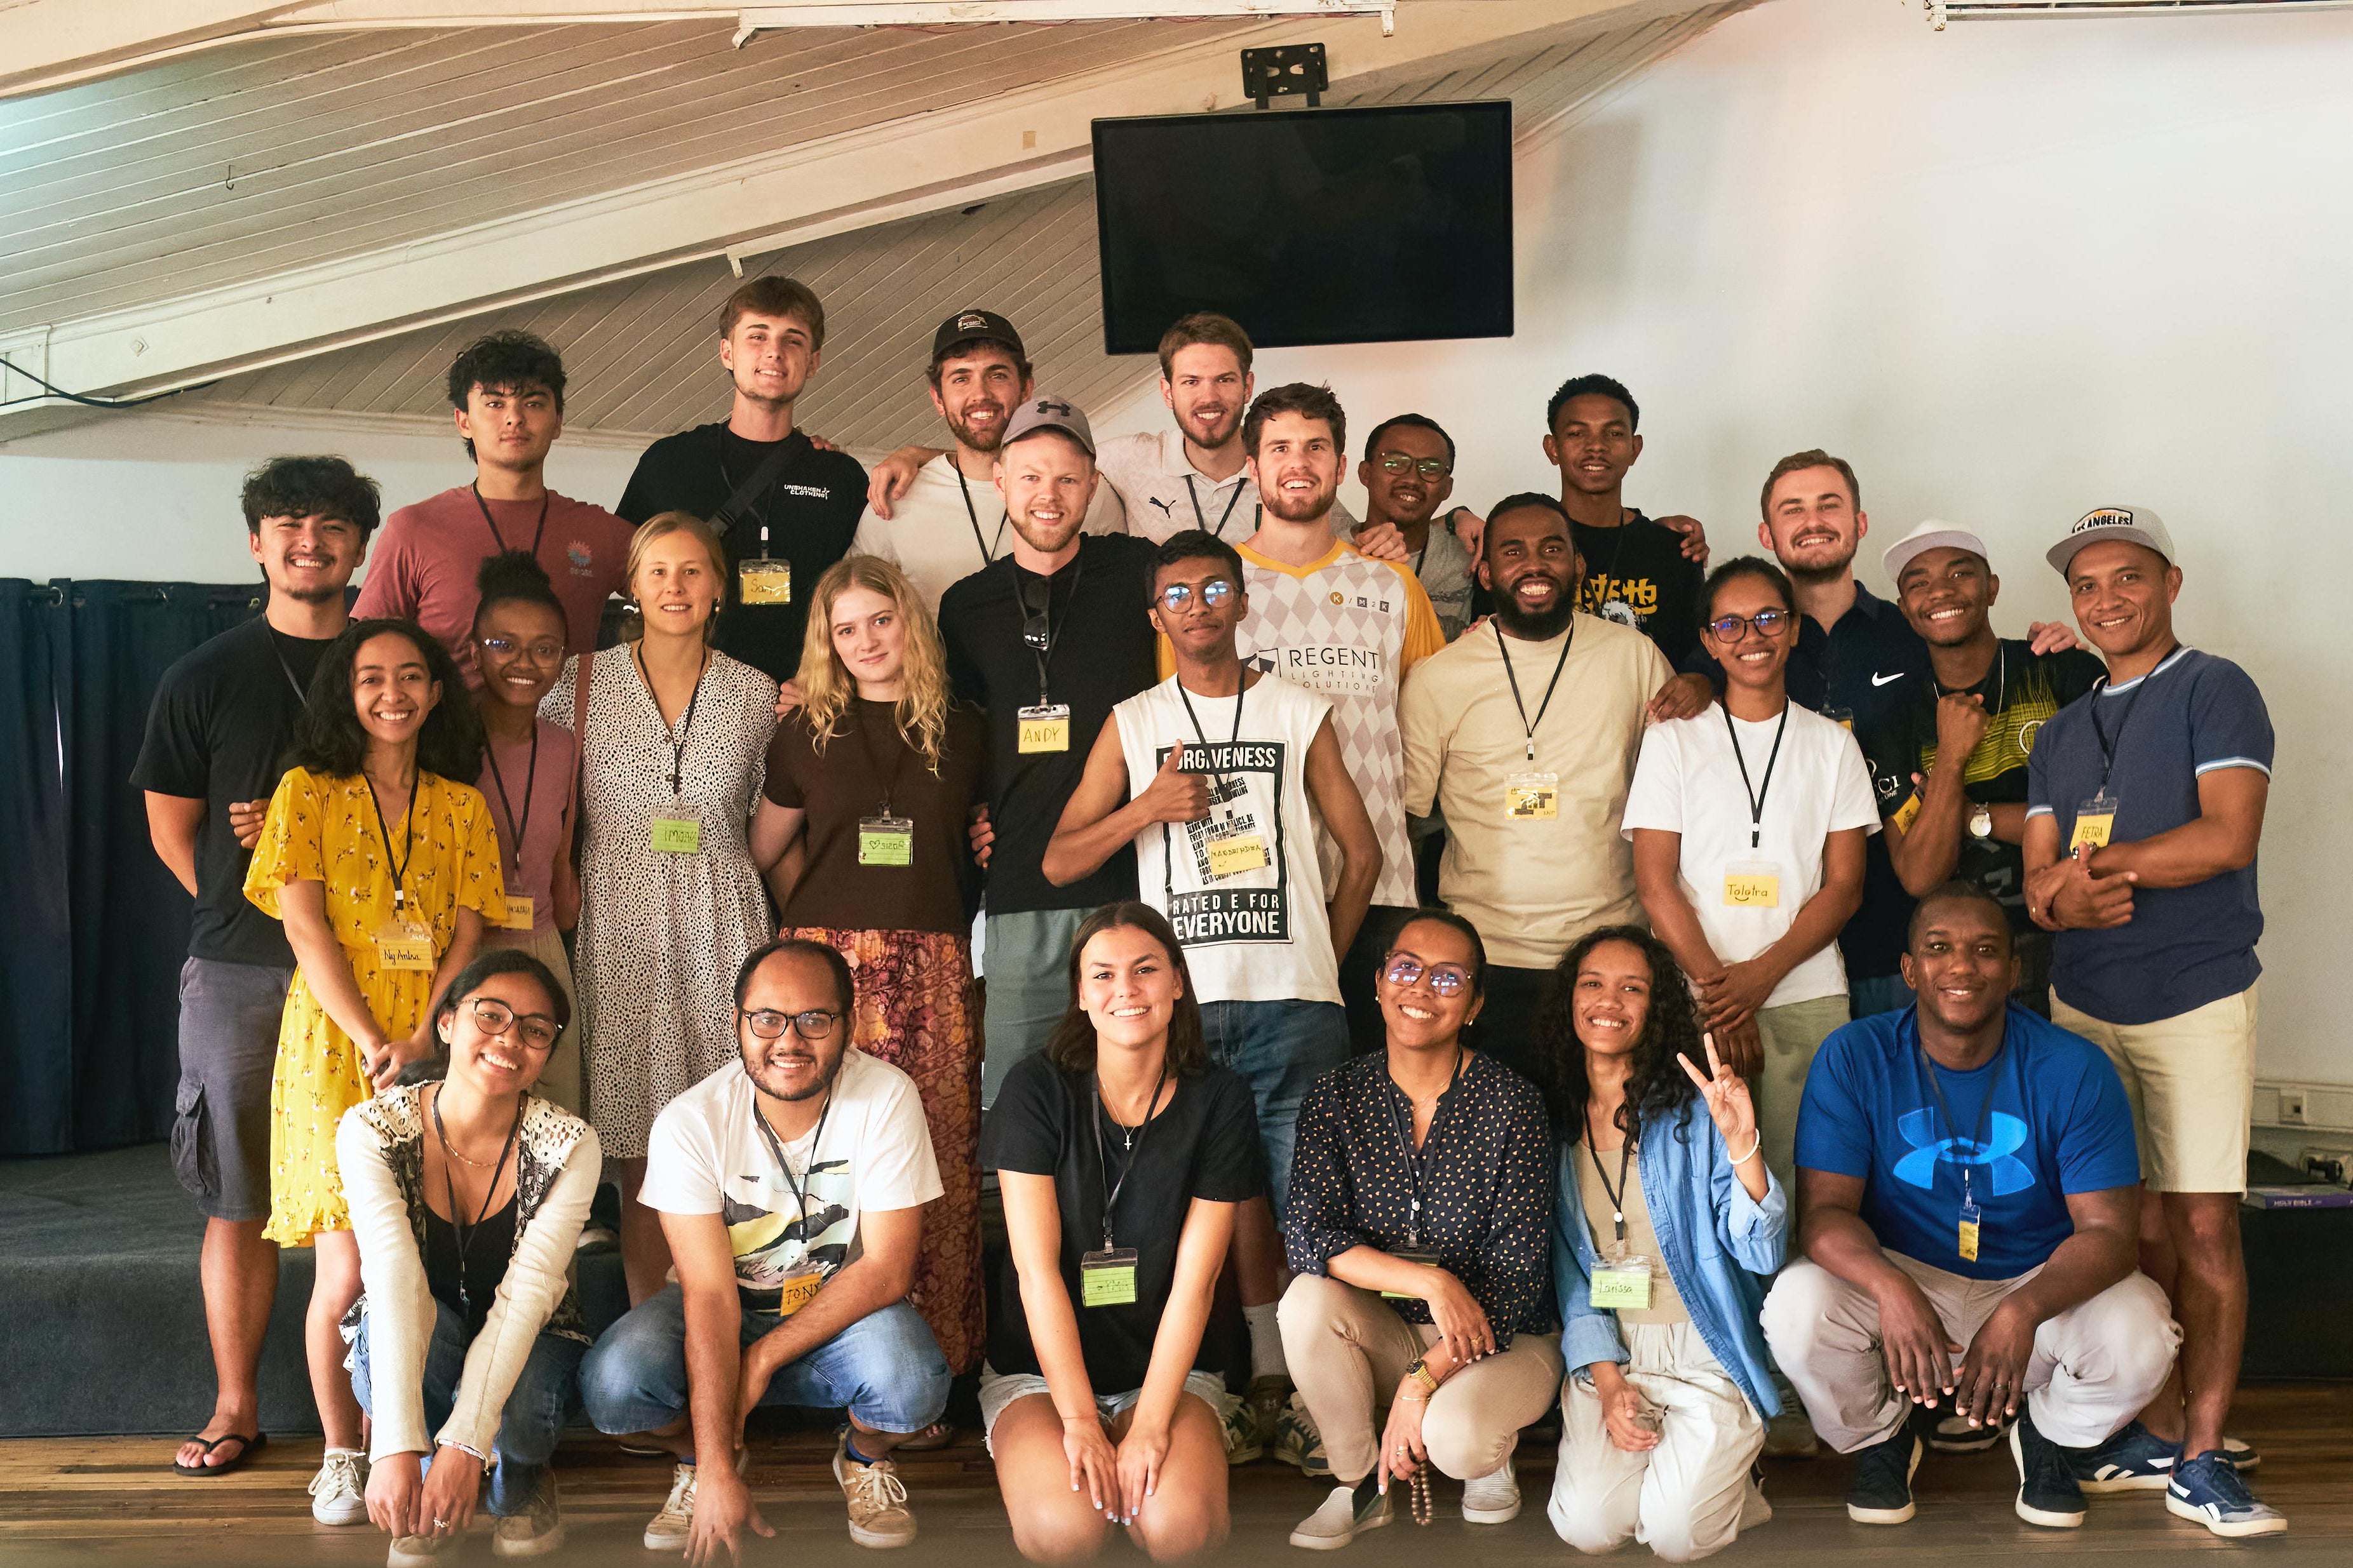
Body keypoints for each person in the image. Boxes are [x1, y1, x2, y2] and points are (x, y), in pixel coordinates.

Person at [1045, 528, 1380, 1463]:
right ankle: (1241, 1388)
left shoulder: (1299, 708)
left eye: (1216, 588)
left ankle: (1319, 1399)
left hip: (1294, 1006)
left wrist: (1320, 958)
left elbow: (1364, 853)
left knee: (1309, 1206)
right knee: (1199, 1207)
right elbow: (1062, 855)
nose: (1199, 606)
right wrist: (1145, 808)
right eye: (1179, 594)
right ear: (1157, 615)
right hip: (1174, 1013)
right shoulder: (1136, 719)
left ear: (1242, 600)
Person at [1761, 884, 2183, 1533]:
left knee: (2141, 1333)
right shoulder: (1854, 1055)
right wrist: (1890, 1287)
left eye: (1985, 951)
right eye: (1938, 949)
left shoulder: (2072, 1068)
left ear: (2013, 972)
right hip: (1906, 1272)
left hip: (2033, 1278)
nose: (1961, 967)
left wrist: (2022, 1309)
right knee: (1795, 1308)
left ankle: (2046, 1434)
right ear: (1909, 970)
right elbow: (1823, 1216)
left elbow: (2108, 1235)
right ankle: (1883, 1436)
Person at [2023, 506, 2281, 1536]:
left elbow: (2225, 835)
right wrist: (2058, 898)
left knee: (2205, 1222)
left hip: (2194, 994)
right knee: (2121, 1228)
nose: (2104, 599)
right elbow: (2037, 879)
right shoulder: (2055, 726)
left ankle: (2204, 1453)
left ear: (2168, 580)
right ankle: (2156, 1427)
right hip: (2081, 1002)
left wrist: (2098, 871)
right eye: (2085, 585)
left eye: (2124, 577)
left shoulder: (2214, 688)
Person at [136, 456, 378, 1479]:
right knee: (236, 1195)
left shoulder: (392, 663)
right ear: (255, 542)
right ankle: (237, 1405)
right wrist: (263, 894)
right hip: (240, 969)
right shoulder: (202, 674)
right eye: (288, 524)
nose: (309, 541)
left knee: (370, 1197)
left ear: (361, 545)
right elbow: (172, 832)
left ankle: (374, 1416)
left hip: (377, 976)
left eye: (331, 526)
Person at [242, 617, 506, 1524]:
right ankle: (343, 1451)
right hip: (333, 1045)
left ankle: (411, 1435)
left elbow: (471, 930)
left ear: (436, 692)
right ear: (344, 695)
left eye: (410, 677)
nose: (392, 693)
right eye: (370, 679)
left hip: (437, 1044)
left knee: (424, 1262)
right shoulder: (304, 792)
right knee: (347, 1271)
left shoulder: (462, 803)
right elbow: (304, 926)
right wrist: (370, 1037)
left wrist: (430, 1031)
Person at [1664, 453, 2080, 1019]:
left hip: (1899, 940)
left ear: (1860, 523)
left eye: (1829, 504)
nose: (1813, 520)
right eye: (1793, 509)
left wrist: (2047, 644)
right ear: (1768, 533)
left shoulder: (1913, 633)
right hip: (1773, 945)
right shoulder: (1741, 644)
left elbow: (1975, 651)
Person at [579, 939, 952, 1557]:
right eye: (767, 1019)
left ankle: (863, 1456)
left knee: (913, 1384)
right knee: (614, 1385)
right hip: (724, 1304)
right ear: (738, 1024)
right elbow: (707, 1292)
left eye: (814, 1019)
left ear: (849, 1025)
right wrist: (718, 1469)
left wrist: (760, 1362)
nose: (788, 1041)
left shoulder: (886, 1096)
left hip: (837, 1305)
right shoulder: (689, 1122)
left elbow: (886, 1271)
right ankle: (698, 1459)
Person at [753, 554, 990, 1379]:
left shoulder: (965, 728)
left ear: (909, 621)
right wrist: (807, 920)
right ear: (828, 640)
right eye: (845, 629)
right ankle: (822, 1361)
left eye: (879, 621)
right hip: (833, 970)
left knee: (937, 1158)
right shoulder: (805, 730)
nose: (866, 641)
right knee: (827, 1160)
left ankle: (939, 1363)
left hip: (934, 966)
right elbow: (765, 846)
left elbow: (981, 838)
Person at [543, 512, 781, 1304]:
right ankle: (655, 1332)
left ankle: (736, 1324)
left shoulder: (755, 694)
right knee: (644, 1144)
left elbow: (778, 816)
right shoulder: (575, 684)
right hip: (619, 924)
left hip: (725, 919)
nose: (674, 588)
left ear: (719, 588)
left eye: (691, 572)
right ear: (630, 586)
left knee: (733, 1134)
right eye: (657, 572)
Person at [981, 902, 1264, 1563]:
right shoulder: (1036, 1088)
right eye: (1102, 975)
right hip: (1040, 1375)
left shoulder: (1219, 1098)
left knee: (1176, 1533)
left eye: (1144, 971)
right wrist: (1079, 1421)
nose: (1125, 991)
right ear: (1080, 994)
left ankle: (1151, 1445)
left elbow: (1197, 1285)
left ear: (1176, 982)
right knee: (1064, 1534)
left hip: (1166, 1372)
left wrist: (1152, 1425)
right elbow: (1035, 1272)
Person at [1279, 910, 1558, 1549]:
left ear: (1475, 1003)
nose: (1421, 989)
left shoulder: (1512, 1103)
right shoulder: (1335, 1096)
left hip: (1502, 1340)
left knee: (1458, 1444)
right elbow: (1307, 1236)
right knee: (1305, 1300)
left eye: (1448, 977)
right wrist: (1428, 1281)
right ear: (1378, 984)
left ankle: (1491, 1450)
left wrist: (1421, 1380)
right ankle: (1358, 1484)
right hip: (1388, 1329)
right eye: (1405, 969)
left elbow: (1517, 1280)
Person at [1399, 494, 1689, 1080]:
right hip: (1485, 961)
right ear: (1484, 572)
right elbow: (1404, 823)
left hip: (1608, 958)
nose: (1534, 565)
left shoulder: (1635, 658)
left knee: (1607, 1147)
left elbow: (1678, 803)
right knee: (1498, 1158)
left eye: (1552, 549)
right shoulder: (1438, 678)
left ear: (1578, 565)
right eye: (1513, 551)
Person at [1626, 556, 1877, 1199]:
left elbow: (1845, 888)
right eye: (1730, 625)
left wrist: (1756, 980)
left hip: (1804, 994)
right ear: (1708, 641)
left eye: (1767, 618)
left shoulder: (1831, 746)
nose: (1751, 637)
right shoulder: (1673, 740)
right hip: (1694, 999)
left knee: (1805, 1183)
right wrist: (1719, 993)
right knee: (1702, 1183)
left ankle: (1796, 1303)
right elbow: (1655, 885)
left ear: (1793, 628)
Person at [938, 395, 1162, 1104]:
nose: (1048, 496)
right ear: (998, 480)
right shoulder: (965, 605)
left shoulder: (1139, 573)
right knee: (1020, 1100)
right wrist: (973, 807)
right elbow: (963, 728)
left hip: (1134, 881)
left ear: (1093, 485)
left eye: (1067, 479)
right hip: (1018, 886)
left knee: (1132, 1101)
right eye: (1031, 477)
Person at [339, 950, 597, 1565]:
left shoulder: (569, 1144)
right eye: (491, 1015)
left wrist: (463, 1446)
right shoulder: (372, 1128)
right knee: (400, 1332)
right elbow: (394, 1280)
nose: (509, 1039)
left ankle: (522, 1475)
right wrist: (396, 1447)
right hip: (420, 1325)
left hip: (532, 1329)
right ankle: (425, 1469)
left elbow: (529, 1292)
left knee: (530, 1406)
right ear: (448, 1022)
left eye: (535, 1030)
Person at [1540, 925, 1785, 1564]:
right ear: (1569, 998)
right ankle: (1698, 1471)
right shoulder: (1552, 1126)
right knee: (1587, 1528)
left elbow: (1758, 1252)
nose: (1608, 1001)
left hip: (1699, 1347)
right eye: (1591, 984)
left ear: (1655, 1009)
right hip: (1614, 1356)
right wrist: (1609, 1381)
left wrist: (1741, 1147)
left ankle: (1732, 1477)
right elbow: (1571, 1283)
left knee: (1674, 1537)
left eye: (1632, 988)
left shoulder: (1693, 1112)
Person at [1225, 383, 1445, 1060]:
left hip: (1379, 885)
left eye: (1315, 447)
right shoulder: (1214, 588)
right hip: (1253, 886)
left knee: (1380, 1091)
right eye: (1280, 448)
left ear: (1342, 466)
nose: (1299, 462)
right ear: (1252, 468)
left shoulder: (1392, 587)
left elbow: (1435, 726)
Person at [1863, 521, 2103, 1015]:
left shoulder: (2061, 672)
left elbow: (2101, 824)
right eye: (1919, 584)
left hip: (2075, 942)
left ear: (1991, 588)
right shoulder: (1894, 719)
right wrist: (1951, 754)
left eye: (1960, 573)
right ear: (1905, 609)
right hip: (1961, 965)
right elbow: (1919, 874)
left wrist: (1972, 813)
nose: (1942, 592)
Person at [615, 275, 867, 685]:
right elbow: (624, 577)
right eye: (757, 336)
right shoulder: (669, 462)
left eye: (793, 340)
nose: (774, 353)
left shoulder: (839, 476)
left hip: (802, 705)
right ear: (727, 352)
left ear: (813, 362)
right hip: (682, 698)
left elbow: (861, 600)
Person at [353, 331, 633, 689]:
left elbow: (683, 597)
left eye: (533, 403)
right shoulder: (413, 529)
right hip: (449, 742)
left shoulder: (600, 532)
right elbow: (364, 655)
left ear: (558, 421)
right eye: (495, 404)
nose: (514, 418)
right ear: (464, 421)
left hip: (567, 743)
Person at [849, 309, 1120, 613]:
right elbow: (854, 606)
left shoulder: (1084, 494)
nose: (980, 394)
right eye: (961, 378)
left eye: (997, 375)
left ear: (1026, 389)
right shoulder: (896, 499)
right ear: (938, 398)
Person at [468, 552, 584, 1113]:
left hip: (540, 946)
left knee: (554, 1116)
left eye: (545, 649)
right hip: (465, 949)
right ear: (474, 650)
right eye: (503, 645)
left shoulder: (564, 744)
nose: (524, 662)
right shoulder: (445, 743)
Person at [1544, 375, 1708, 665]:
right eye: (1577, 433)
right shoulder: (1523, 546)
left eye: (1615, 433)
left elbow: (1696, 659)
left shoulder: (1675, 551)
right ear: (1552, 448)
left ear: (1635, 448)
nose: (1596, 446)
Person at [1354, 414, 1476, 640]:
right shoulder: (1327, 543)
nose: (1412, 479)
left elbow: (1453, 643)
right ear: (1366, 473)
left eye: (1431, 468)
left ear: (1447, 488)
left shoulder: (1464, 560)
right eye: (1395, 463)